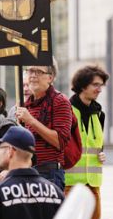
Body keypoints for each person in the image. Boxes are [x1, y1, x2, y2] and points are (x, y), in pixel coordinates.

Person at [64, 65, 110, 219]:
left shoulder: (99, 112)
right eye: (96, 85)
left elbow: (95, 144)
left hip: (93, 183)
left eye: (101, 85)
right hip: (69, 182)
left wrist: (102, 154)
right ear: (83, 85)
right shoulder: (66, 110)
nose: (99, 89)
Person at [14, 62, 72, 190]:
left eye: (39, 72)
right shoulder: (25, 104)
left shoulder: (60, 101)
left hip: (49, 174)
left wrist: (31, 120)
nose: (33, 75)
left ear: (50, 78)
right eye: (30, 71)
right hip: (27, 173)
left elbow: (60, 142)